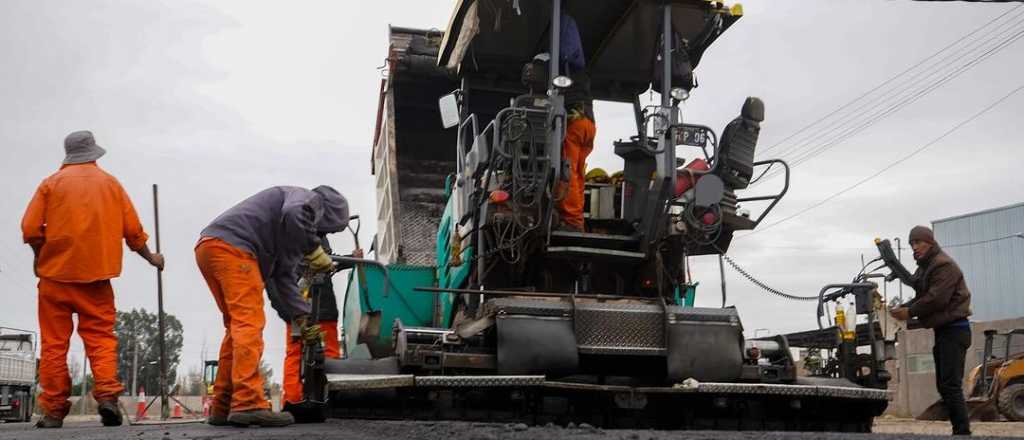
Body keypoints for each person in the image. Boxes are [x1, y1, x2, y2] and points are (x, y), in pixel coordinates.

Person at [21, 131, 165, 428]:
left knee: (54, 344)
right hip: (96, 281)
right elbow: (133, 232)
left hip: (54, 280)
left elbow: (31, 228)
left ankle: (53, 412)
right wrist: (152, 258)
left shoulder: (50, 184)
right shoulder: (111, 184)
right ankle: (108, 399)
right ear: (94, 153)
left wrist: (40, 257)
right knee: (100, 340)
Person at [195, 185, 349, 427]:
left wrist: (303, 318)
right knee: (249, 322)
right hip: (233, 248)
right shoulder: (309, 200)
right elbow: (295, 212)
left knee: (235, 328)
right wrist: (313, 249)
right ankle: (248, 403)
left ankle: (222, 406)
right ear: (325, 213)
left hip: (211, 247)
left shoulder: (284, 236)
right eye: (322, 230)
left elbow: (284, 279)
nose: (319, 235)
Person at [890, 225, 973, 436]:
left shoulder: (943, 265)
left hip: (955, 330)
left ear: (930, 242)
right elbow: (921, 293)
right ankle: (959, 427)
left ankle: (962, 432)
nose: (914, 248)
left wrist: (909, 312)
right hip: (945, 331)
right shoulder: (926, 267)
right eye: (911, 244)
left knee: (951, 385)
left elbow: (936, 298)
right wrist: (904, 308)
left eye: (918, 242)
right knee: (945, 385)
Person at [279, 235, 362, 411]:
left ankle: (294, 400)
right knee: (326, 353)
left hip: (305, 305)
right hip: (308, 304)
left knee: (298, 353)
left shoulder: (294, 234)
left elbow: (331, 264)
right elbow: (329, 263)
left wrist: (351, 258)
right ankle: (326, 398)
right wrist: (350, 259)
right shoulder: (307, 236)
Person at [555, 12, 596, 232]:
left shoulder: (563, 70)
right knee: (578, 173)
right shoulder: (582, 74)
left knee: (566, 171)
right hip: (589, 125)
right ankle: (577, 219)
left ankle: (571, 221)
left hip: (574, 125)